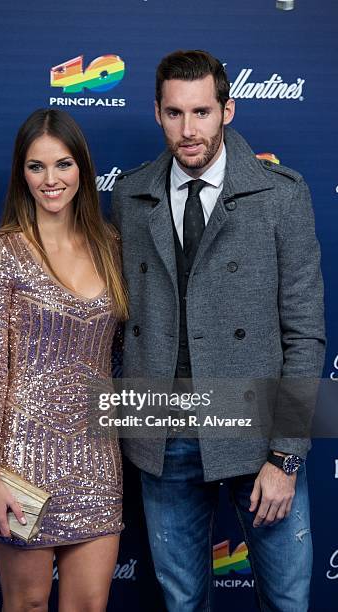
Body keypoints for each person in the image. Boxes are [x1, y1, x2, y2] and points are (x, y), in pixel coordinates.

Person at [111, 50, 325, 611]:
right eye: (175, 113)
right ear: (156, 112)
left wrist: (287, 458)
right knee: (181, 601)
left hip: (258, 428)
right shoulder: (130, 198)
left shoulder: (283, 194)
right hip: (164, 426)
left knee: (288, 599)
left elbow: (305, 334)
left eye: (202, 112)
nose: (189, 130)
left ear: (227, 110)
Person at [0, 108, 128, 612]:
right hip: (22, 461)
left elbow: (120, 356)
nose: (50, 179)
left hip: (96, 460)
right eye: (36, 167)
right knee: (27, 605)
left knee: (88, 606)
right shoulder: (3, 251)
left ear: (82, 167)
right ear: (22, 173)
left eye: (62, 164)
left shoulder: (112, 248)